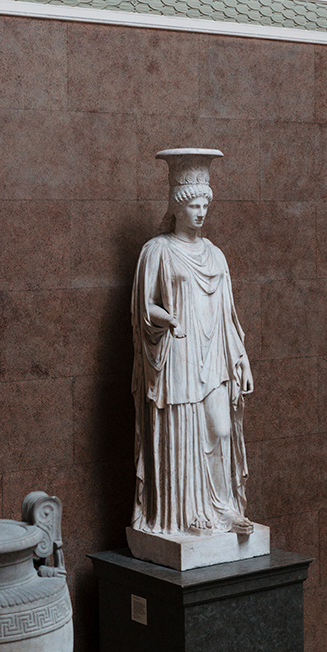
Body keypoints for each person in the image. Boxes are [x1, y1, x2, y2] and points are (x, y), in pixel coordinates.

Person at [130, 149, 254, 537]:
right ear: (177, 207)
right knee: (183, 435)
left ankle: (223, 508)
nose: (201, 213)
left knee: (220, 429)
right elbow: (144, 307)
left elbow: (228, 315)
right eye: (193, 206)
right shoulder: (157, 251)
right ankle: (187, 514)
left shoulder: (215, 255)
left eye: (205, 206)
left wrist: (242, 359)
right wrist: (166, 318)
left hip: (214, 353)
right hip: (179, 355)